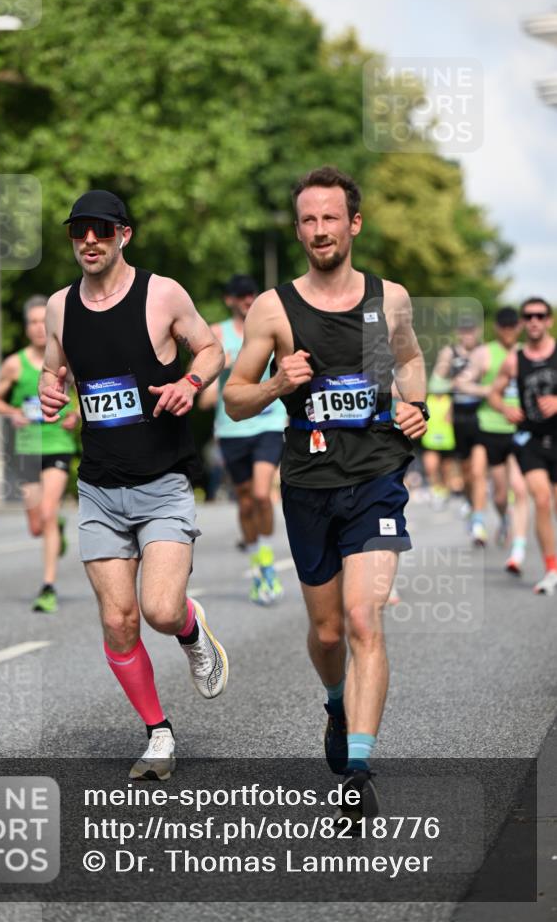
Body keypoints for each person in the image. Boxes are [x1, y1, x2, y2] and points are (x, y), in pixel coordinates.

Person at [224, 166, 428, 816]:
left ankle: (358, 770)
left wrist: (414, 406)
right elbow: (232, 400)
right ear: (298, 229)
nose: (319, 230)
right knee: (330, 630)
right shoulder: (273, 308)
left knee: (366, 619)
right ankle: (336, 704)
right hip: (308, 484)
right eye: (308, 220)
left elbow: (408, 361)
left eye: (330, 218)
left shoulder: (386, 299)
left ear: (353, 224)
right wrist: (276, 385)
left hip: (374, 477)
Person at [38, 189, 228, 780]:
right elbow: (54, 368)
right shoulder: (59, 307)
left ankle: (191, 630)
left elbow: (213, 347)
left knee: (160, 609)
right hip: (98, 486)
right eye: (78, 231)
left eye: (100, 229)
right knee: (119, 621)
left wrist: (191, 382)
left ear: (125, 234)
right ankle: (158, 732)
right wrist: (49, 389)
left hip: (163, 480)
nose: (88, 240)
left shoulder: (162, 294)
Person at [199, 274, 286, 605]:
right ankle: (257, 562)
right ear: (229, 300)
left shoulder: (268, 327)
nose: (248, 300)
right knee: (246, 499)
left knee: (263, 493)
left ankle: (266, 561)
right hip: (232, 427)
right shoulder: (217, 334)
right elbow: (204, 396)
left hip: (269, 421)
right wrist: (222, 369)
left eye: (252, 294)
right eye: (241, 296)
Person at [0, 295, 79, 613]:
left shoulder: (67, 361)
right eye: (33, 322)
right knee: (36, 525)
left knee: (49, 512)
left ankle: (48, 586)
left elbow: (83, 395)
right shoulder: (15, 363)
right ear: (26, 328)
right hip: (26, 447)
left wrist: (76, 416)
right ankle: (57, 531)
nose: (40, 328)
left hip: (57, 445)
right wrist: (12, 412)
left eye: (44, 321)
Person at [489, 297, 557, 596]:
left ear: (549, 320)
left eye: (540, 316)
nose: (534, 321)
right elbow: (493, 393)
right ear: (521, 322)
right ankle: (552, 571)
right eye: (528, 316)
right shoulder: (515, 359)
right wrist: (504, 409)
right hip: (530, 439)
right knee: (540, 500)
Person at [453, 307, 529, 573]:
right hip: (487, 426)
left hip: (518, 430)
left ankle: (512, 536)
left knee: (513, 490)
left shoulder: (525, 353)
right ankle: (484, 520)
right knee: (484, 479)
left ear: (518, 327)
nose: (509, 331)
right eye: (504, 326)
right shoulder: (484, 353)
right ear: (497, 328)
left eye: (513, 326)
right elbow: (460, 383)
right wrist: (487, 390)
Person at [429, 317, 484, 542]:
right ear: (458, 332)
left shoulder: (485, 352)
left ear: (478, 331)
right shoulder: (449, 353)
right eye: (464, 331)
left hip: (481, 415)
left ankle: (479, 522)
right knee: (467, 471)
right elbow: (435, 385)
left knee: (479, 471)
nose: (468, 335)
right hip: (459, 416)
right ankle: (470, 505)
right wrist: (453, 384)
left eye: (471, 331)